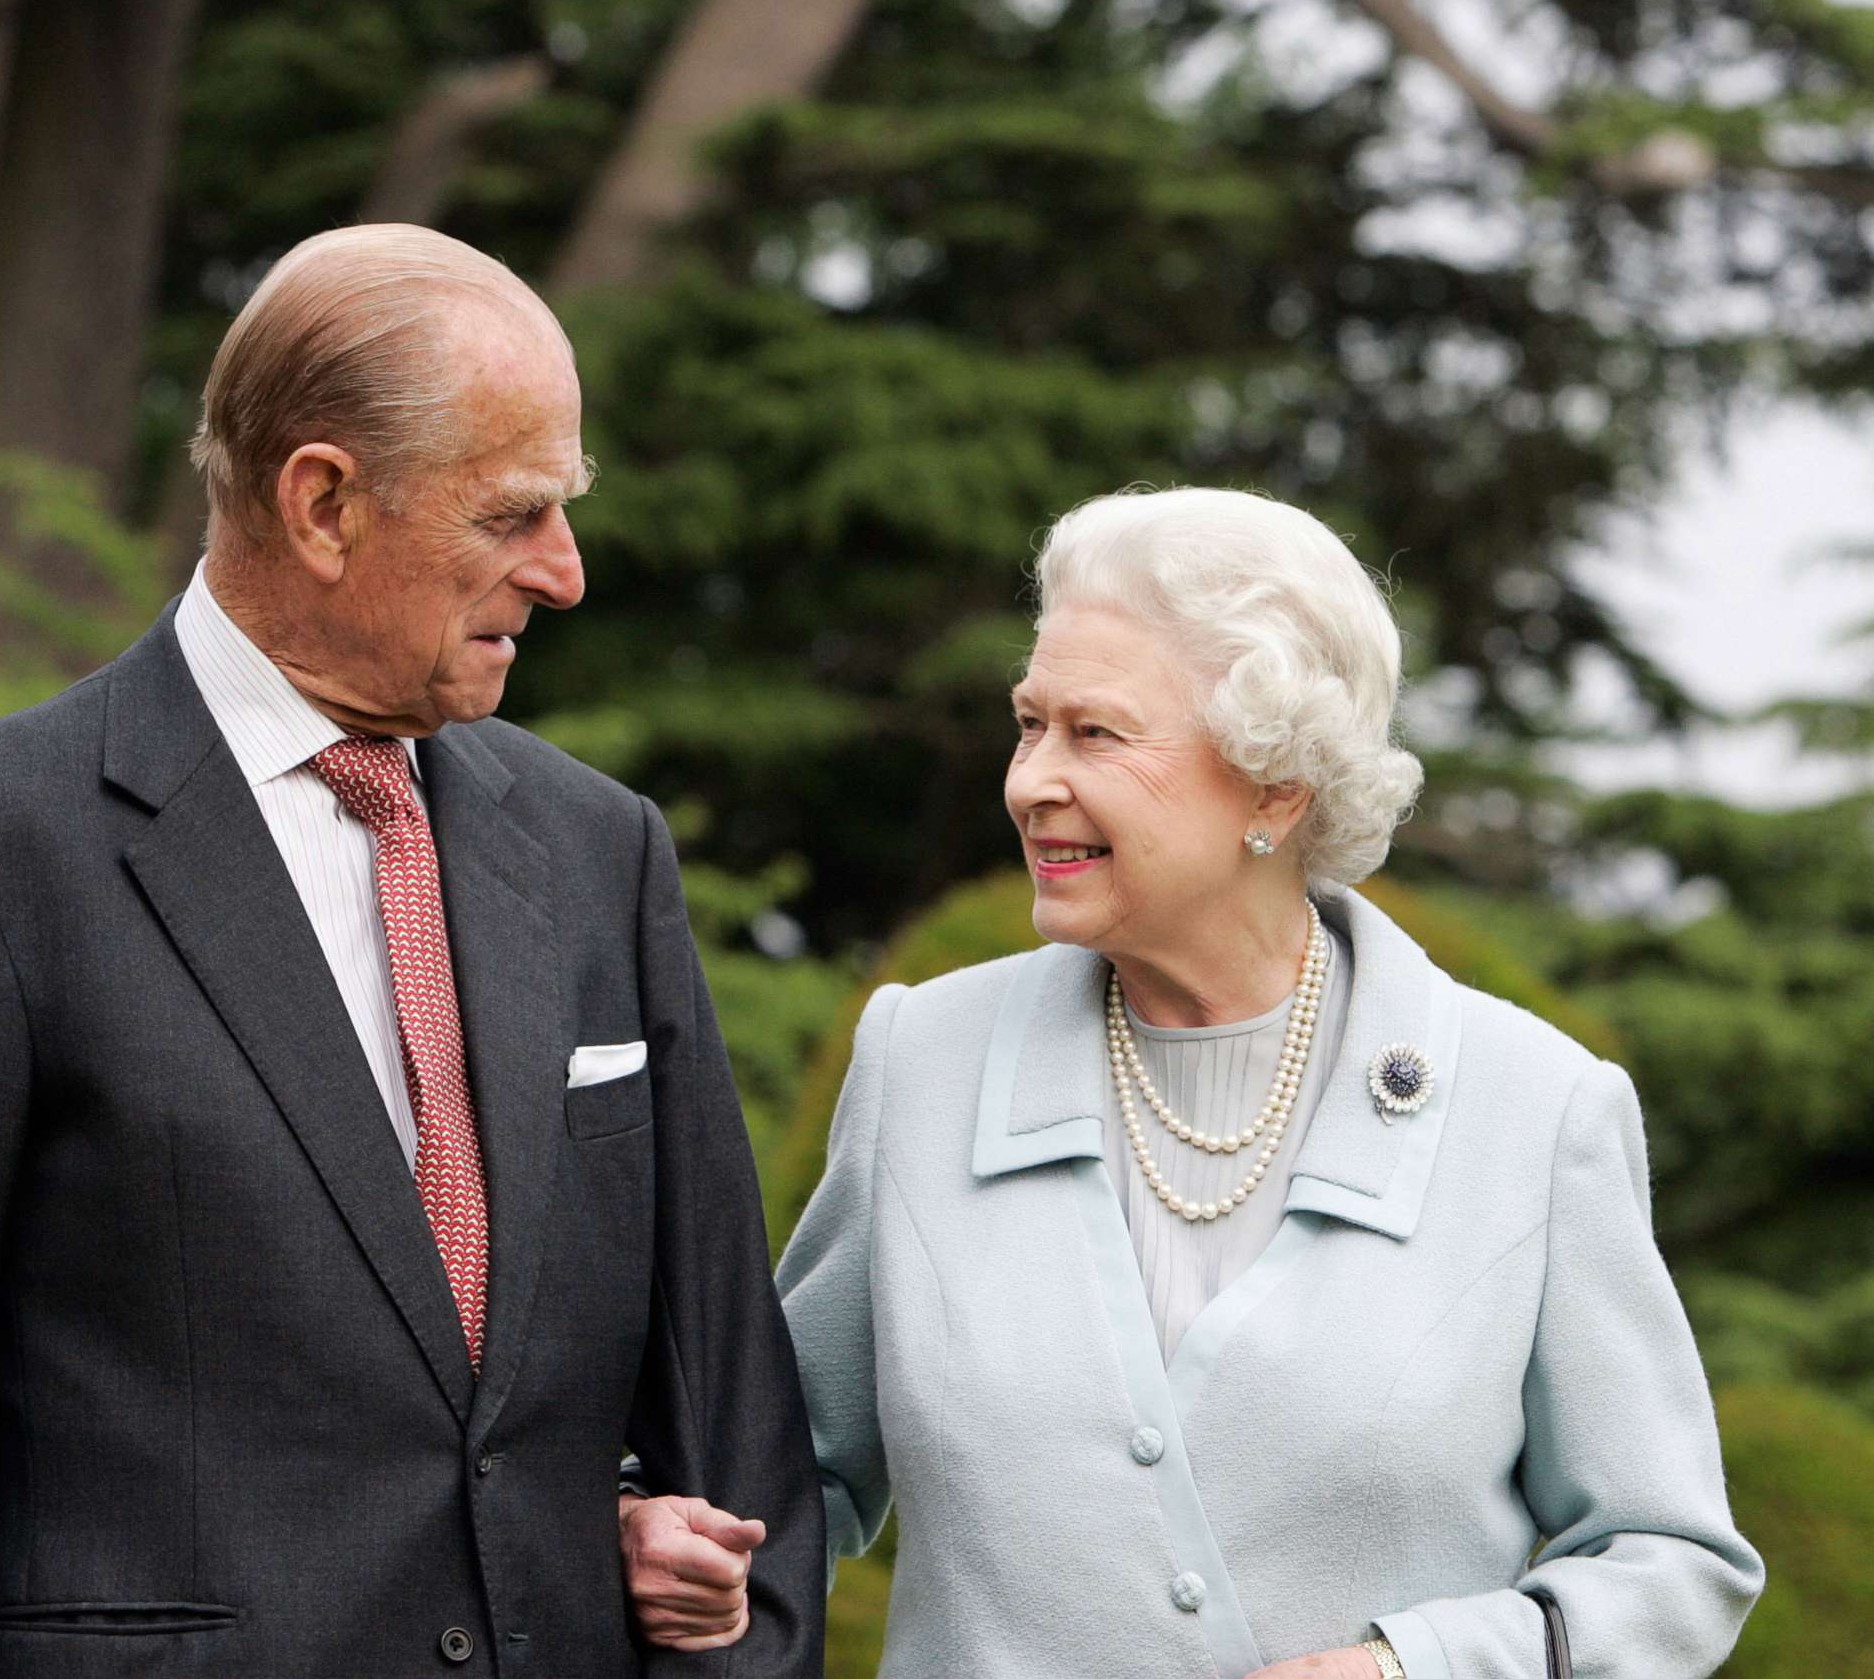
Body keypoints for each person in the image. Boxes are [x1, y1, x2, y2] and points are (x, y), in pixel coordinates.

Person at [0, 224, 823, 1677]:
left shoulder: (600, 853)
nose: (564, 574)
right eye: (513, 515)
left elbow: (735, 1418)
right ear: (323, 503)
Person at [632, 487, 1763, 1678]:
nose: (1030, 782)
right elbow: (771, 1476)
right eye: (1030, 724)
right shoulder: (923, 1059)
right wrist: (671, 1539)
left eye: (1098, 734)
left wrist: (1411, 1669)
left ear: (1276, 786)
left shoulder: (1536, 1111)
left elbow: (1671, 1563)